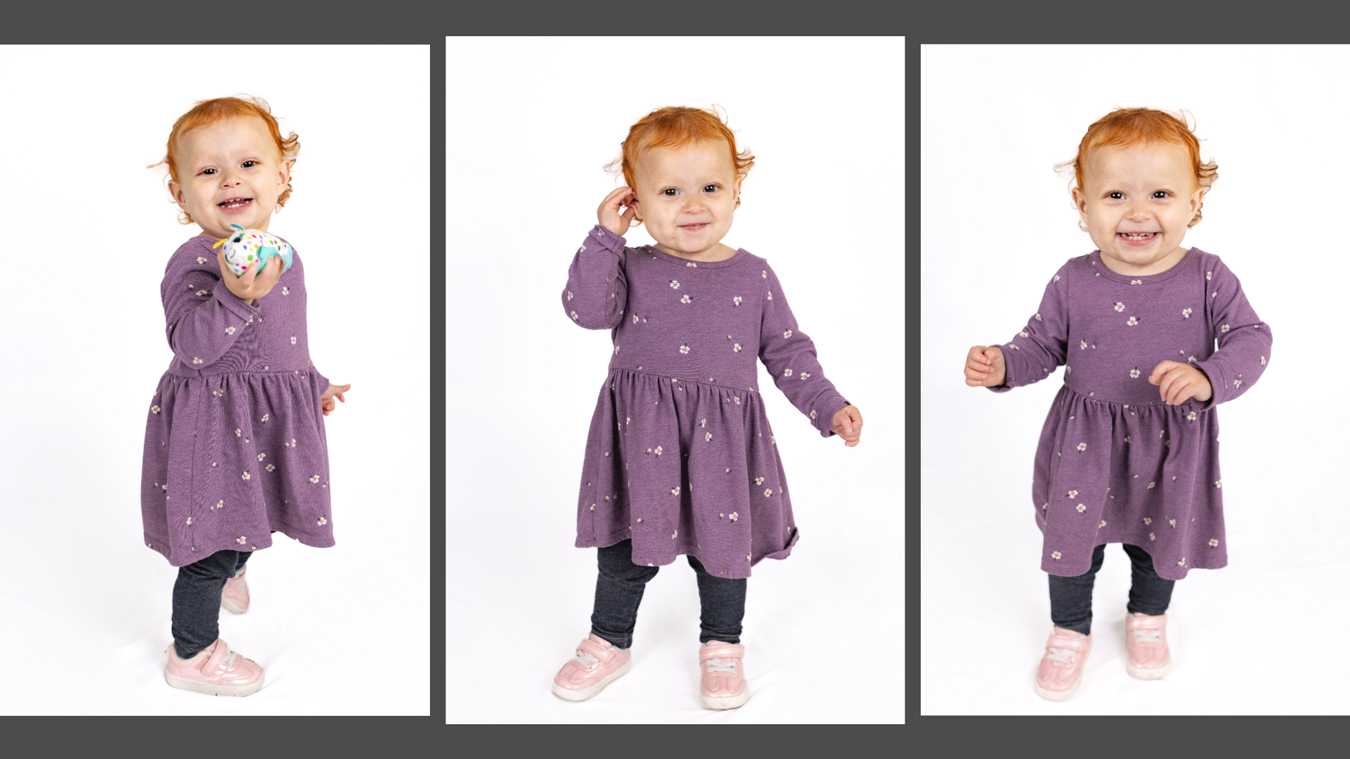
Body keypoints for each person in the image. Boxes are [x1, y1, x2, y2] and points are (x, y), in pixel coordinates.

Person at [553, 106, 863, 709]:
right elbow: (585, 310)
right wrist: (604, 238)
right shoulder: (629, 264)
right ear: (634, 199)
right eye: (669, 191)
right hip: (641, 437)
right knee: (622, 546)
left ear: (737, 192)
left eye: (710, 188)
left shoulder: (754, 276)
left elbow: (787, 350)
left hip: (722, 443)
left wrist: (827, 405)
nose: (693, 205)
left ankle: (722, 645)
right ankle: (609, 638)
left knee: (723, 548)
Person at [964, 108, 1270, 701]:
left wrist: (1209, 377)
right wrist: (1004, 364)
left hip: (1171, 444)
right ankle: (1069, 628)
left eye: (1160, 193)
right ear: (1082, 206)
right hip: (1085, 442)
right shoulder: (1074, 280)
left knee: (1162, 534)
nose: (1137, 211)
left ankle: (1148, 618)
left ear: (1194, 203)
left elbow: (1253, 339)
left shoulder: (1209, 277)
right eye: (1114, 194)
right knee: (1072, 539)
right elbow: (1041, 345)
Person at [142, 96, 351, 696]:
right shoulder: (193, 261)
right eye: (208, 171)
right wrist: (233, 295)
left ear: (282, 177)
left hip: (265, 421)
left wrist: (310, 383)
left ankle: (232, 568)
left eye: (249, 164)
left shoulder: (284, 253)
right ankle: (193, 653)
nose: (230, 179)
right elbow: (193, 346)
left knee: (261, 515)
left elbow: (284, 340)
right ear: (182, 196)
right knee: (209, 544)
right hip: (211, 426)